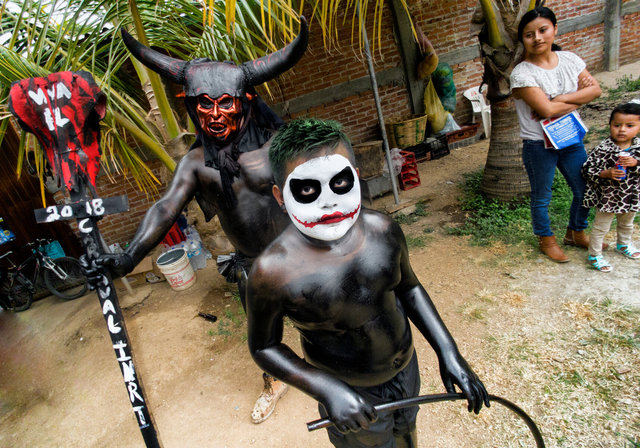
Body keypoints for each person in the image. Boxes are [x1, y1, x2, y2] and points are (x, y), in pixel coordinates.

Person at [87, 19, 309, 424]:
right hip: (251, 266)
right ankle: (274, 382)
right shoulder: (196, 163)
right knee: (264, 338)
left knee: (320, 318)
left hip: (300, 253)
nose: (215, 114)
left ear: (245, 100)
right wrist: (129, 256)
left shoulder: (279, 144)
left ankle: (331, 374)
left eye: (226, 102)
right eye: (203, 104)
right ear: (189, 104)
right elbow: (165, 207)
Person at [246, 118, 489, 448]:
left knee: (406, 436)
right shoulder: (272, 273)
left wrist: (448, 352)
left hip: (405, 370)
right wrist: (326, 389)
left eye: (340, 183)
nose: (329, 201)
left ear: (356, 176)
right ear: (280, 195)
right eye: (307, 189)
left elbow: (410, 288)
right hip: (349, 392)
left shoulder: (382, 231)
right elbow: (263, 346)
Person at [510, 6, 602, 262]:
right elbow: (546, 109)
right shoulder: (522, 74)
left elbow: (596, 90)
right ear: (523, 40)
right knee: (542, 196)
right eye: (529, 34)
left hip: (571, 138)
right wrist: (574, 99)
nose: (537, 38)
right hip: (539, 145)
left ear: (554, 30)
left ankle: (575, 232)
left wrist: (561, 99)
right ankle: (546, 239)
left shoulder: (571, 60)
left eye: (543, 30)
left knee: (585, 188)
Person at [582, 102, 640, 272]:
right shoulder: (603, 149)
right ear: (610, 126)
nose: (622, 130)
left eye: (629, 126)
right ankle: (594, 254)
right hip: (608, 196)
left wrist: (636, 163)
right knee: (601, 227)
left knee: (627, 223)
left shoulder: (638, 148)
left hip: (631, 195)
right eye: (617, 125)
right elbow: (587, 169)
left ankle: (623, 244)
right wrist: (606, 173)